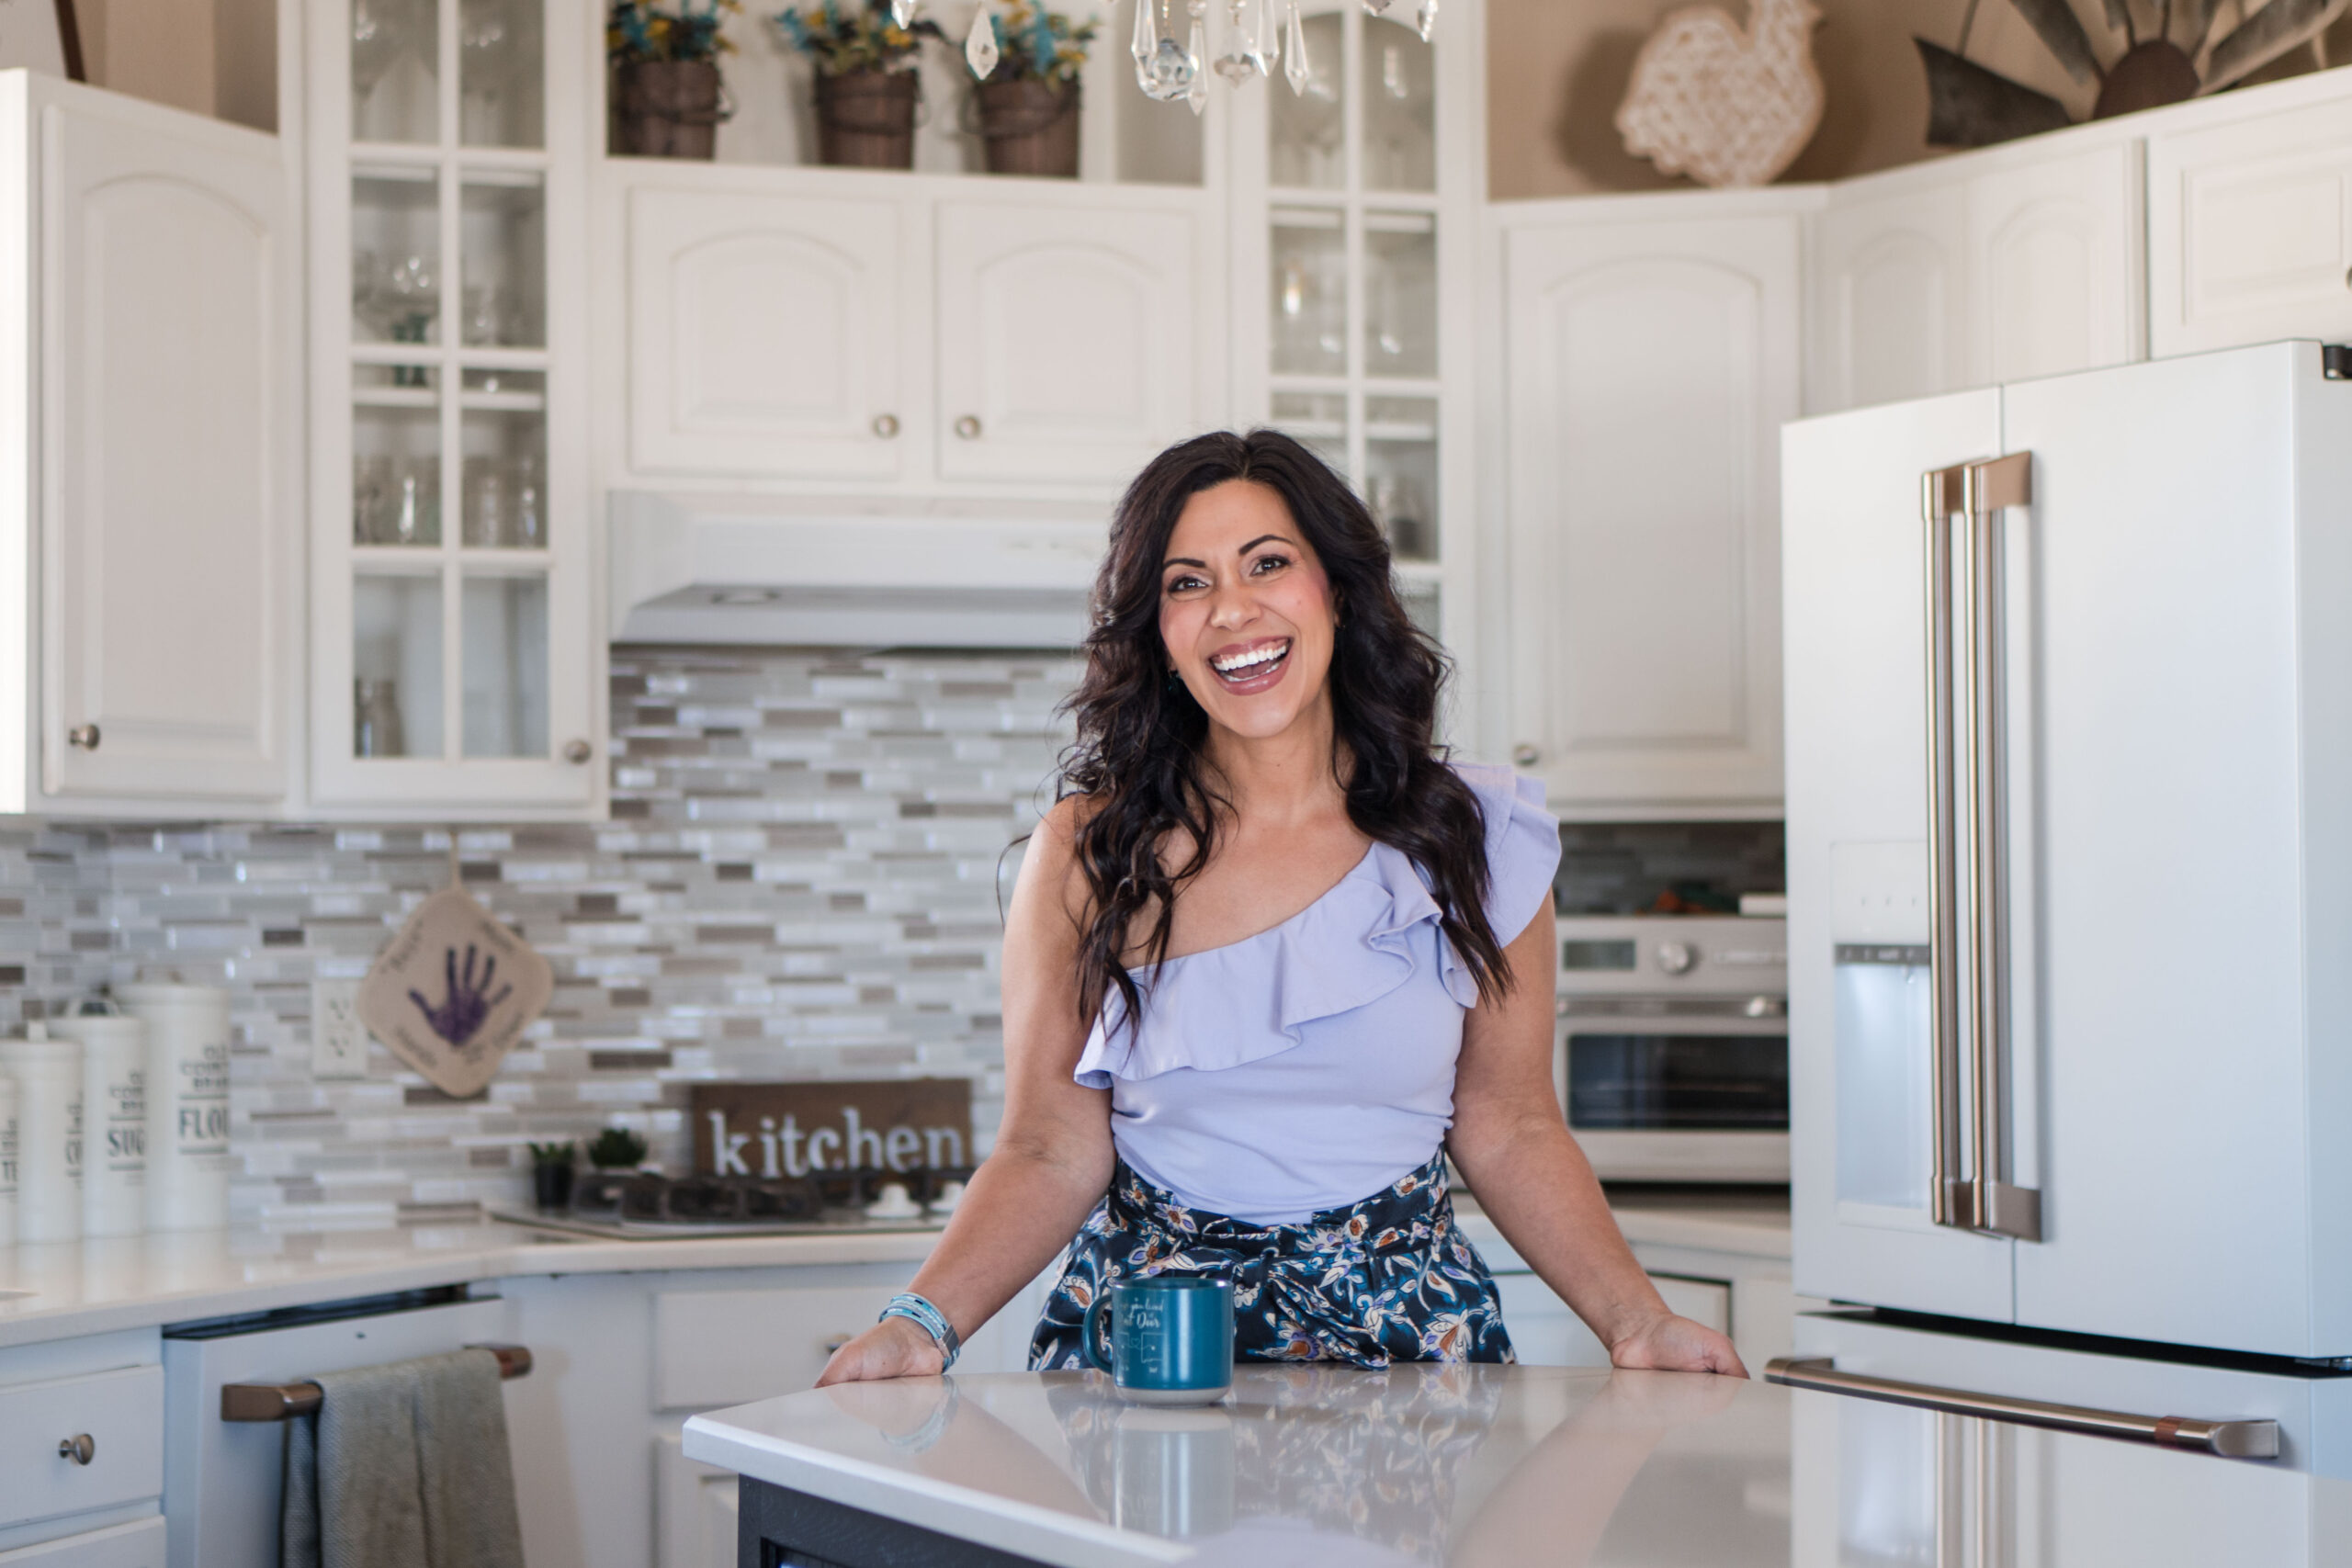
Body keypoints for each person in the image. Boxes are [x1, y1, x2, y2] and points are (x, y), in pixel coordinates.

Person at [819, 430, 1746, 1383]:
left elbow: (1511, 1126)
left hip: (1410, 1346)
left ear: (1336, 591)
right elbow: (1049, 1147)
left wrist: (1637, 1321)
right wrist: (918, 1324)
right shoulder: (1088, 852)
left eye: (1268, 564)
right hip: (1150, 1357)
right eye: (1187, 583)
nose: (1232, 610)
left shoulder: (1473, 837)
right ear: (1158, 634)